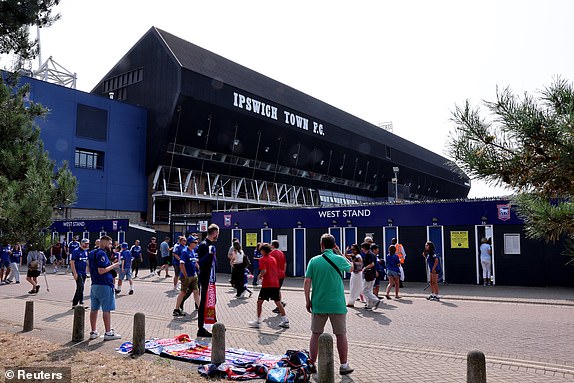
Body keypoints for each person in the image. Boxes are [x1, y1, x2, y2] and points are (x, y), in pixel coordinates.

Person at [304, 233, 354, 375]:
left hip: (318, 303)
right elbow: (351, 268)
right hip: (337, 304)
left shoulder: (313, 261)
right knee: (341, 334)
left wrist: (308, 300)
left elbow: (307, 282)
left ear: (321, 245)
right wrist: (339, 253)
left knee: (315, 334)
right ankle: (344, 365)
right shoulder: (338, 259)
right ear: (333, 246)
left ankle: (312, 364)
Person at [248, 243, 289, 329]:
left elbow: (264, 271)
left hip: (267, 284)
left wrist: (259, 277)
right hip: (275, 283)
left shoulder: (262, 259)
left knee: (259, 302)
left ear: (263, 251)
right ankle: (285, 320)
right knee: (278, 302)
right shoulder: (273, 259)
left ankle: (258, 321)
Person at [88, 235, 121, 340]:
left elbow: (89, 268)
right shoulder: (102, 253)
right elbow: (101, 270)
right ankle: (108, 333)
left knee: (94, 309)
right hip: (105, 284)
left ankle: (93, 331)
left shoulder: (92, 253)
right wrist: (114, 266)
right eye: (110, 243)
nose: (111, 246)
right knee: (106, 310)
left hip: (94, 284)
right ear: (105, 242)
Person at [196, 224, 219, 338]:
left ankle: (212, 324)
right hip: (205, 278)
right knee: (204, 302)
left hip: (211, 279)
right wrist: (209, 254)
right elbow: (200, 262)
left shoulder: (210, 245)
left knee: (212, 301)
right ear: (214, 233)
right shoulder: (204, 245)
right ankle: (201, 328)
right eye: (217, 233)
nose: (217, 235)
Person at [174, 236, 200, 316]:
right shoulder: (185, 252)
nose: (196, 244)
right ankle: (176, 309)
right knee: (183, 292)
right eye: (195, 242)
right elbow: (182, 265)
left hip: (193, 275)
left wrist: (198, 266)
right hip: (187, 276)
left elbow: (194, 261)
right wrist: (185, 276)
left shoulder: (192, 251)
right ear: (190, 243)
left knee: (196, 292)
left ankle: (200, 309)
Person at [360, 242, 381, 310]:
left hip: (369, 275)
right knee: (369, 290)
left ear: (364, 248)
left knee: (364, 291)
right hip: (372, 275)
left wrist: (364, 268)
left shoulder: (368, 255)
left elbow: (372, 264)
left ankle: (376, 300)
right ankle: (369, 305)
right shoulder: (371, 254)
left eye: (362, 247)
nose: (361, 249)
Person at [70, 238, 90, 307]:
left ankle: (77, 303)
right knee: (80, 287)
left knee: (80, 287)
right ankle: (78, 303)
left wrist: (88, 271)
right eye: (86, 244)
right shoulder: (76, 251)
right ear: (82, 243)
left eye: (88, 244)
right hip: (78, 272)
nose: (87, 245)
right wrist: (74, 273)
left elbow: (86, 262)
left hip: (83, 272)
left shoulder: (86, 251)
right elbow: (72, 262)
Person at [269, 240, 287, 313]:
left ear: (273, 246)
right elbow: (285, 263)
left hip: (275, 275)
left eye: (271, 244)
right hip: (281, 274)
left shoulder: (271, 253)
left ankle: (280, 306)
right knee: (277, 290)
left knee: (274, 291)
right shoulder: (281, 253)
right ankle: (280, 304)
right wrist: (283, 271)